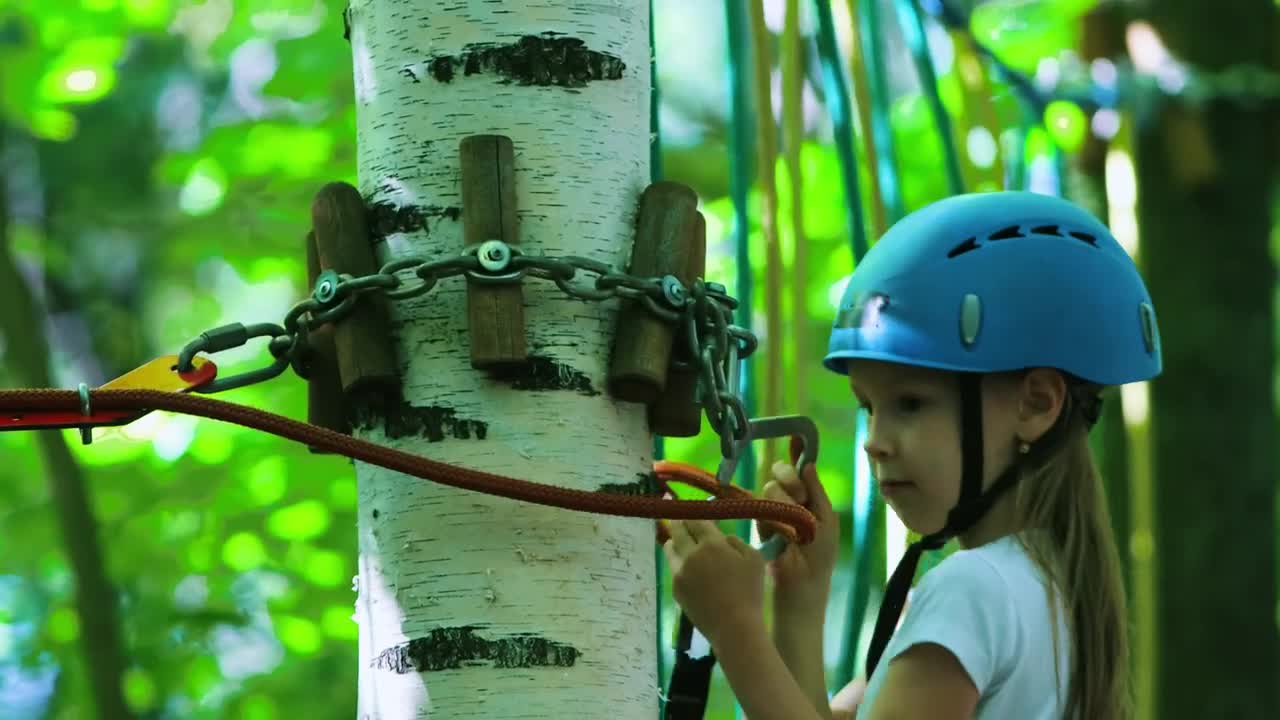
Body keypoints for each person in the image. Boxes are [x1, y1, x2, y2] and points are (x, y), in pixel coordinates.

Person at [661, 190, 1162, 720]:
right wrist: (799, 598)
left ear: (1036, 403)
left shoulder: (973, 591)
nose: (874, 440)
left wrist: (735, 629)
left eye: (911, 403)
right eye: (868, 408)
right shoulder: (1053, 591)